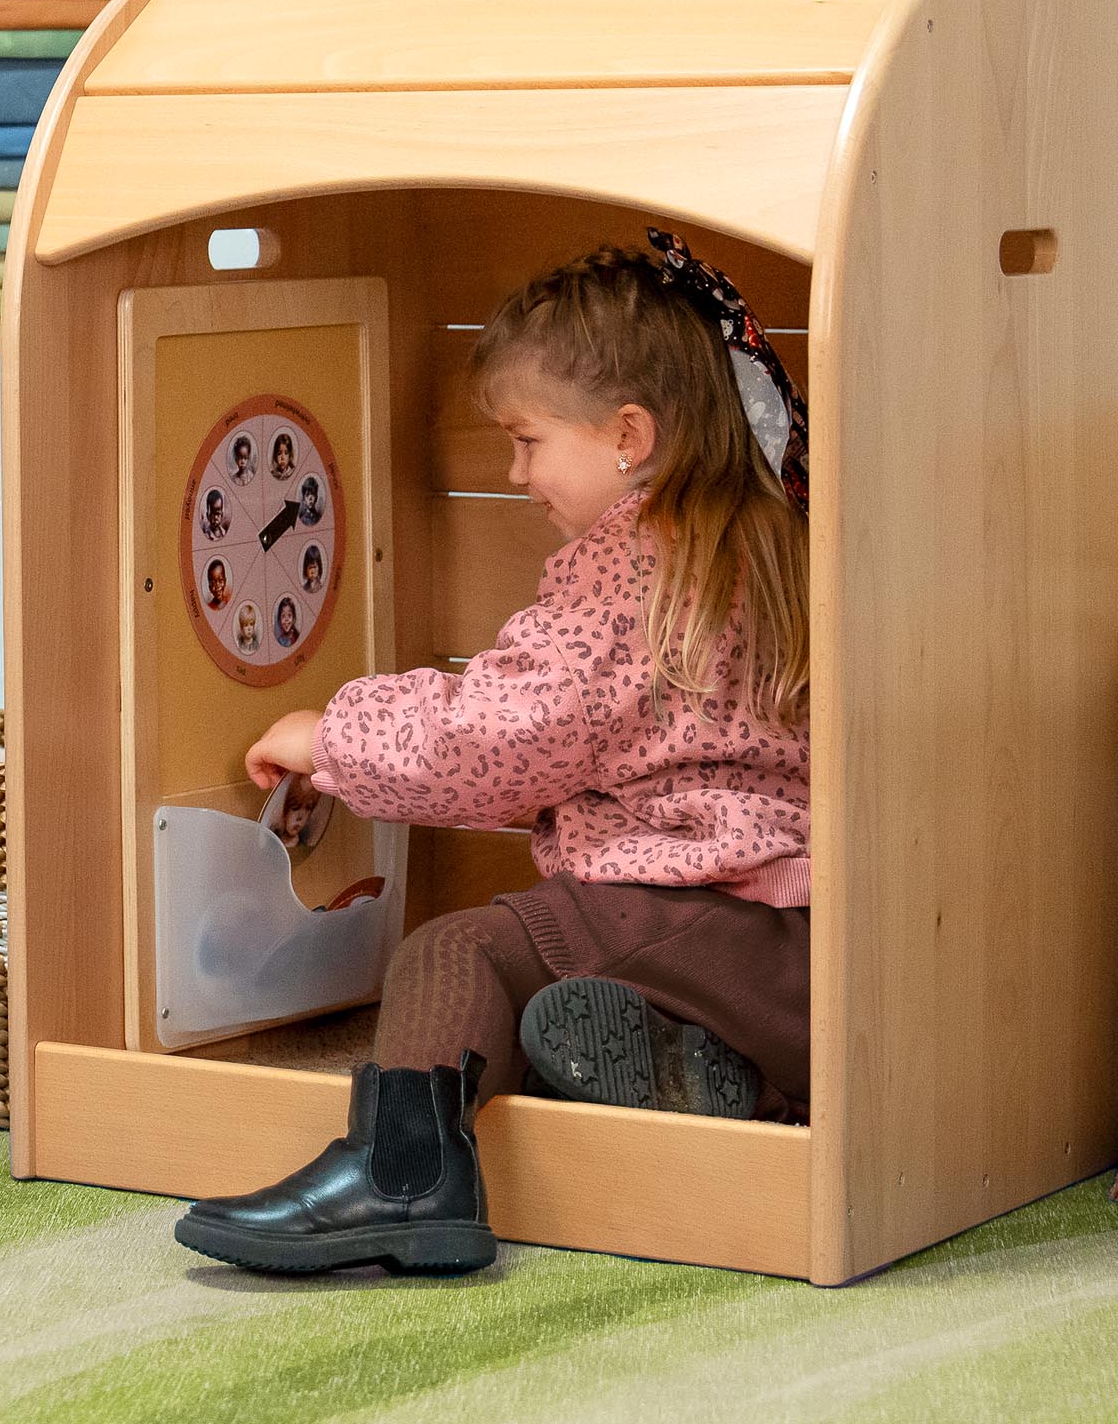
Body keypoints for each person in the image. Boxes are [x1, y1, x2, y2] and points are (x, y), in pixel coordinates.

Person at [172, 235, 812, 1279]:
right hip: (794, 960)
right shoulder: (768, 538)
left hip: (705, 921)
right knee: (542, 1001)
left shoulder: (631, 575)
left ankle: (405, 1179)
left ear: (628, 436)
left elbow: (497, 736)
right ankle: (719, 1079)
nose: (515, 474)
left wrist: (332, 735)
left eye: (526, 441)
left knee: (455, 955)